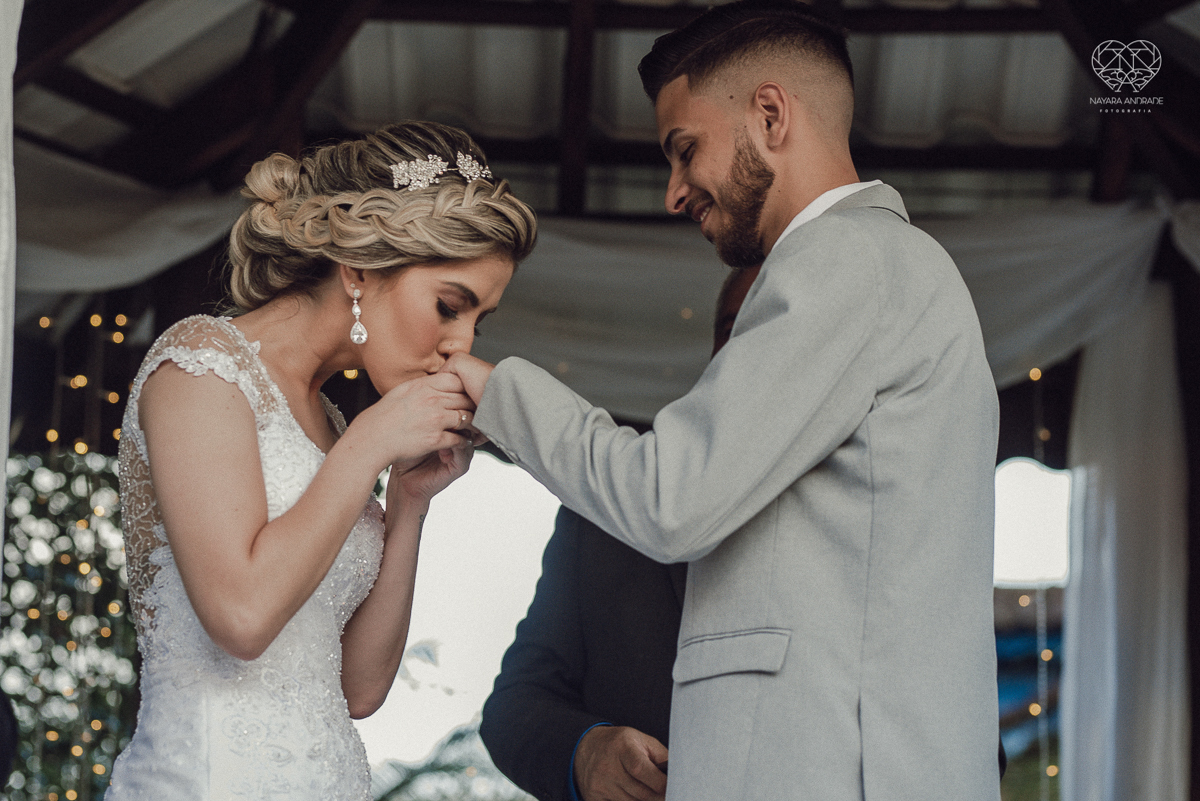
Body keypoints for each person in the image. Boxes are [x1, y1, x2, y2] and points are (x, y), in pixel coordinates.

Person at [443, 2, 1001, 800]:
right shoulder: (885, 267)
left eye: (685, 149)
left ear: (770, 115)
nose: (675, 193)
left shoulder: (847, 256)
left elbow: (672, 499)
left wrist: (495, 390)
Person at [108, 122, 537, 799]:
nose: (461, 345)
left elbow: (358, 689)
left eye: (476, 323)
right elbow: (241, 617)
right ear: (359, 268)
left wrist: (408, 503)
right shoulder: (201, 365)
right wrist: (368, 445)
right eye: (449, 306)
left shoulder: (330, 421)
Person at [481, 265, 761, 801]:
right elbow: (513, 705)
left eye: (773, 328)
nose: (753, 350)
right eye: (735, 329)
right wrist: (585, 751)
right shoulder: (611, 498)